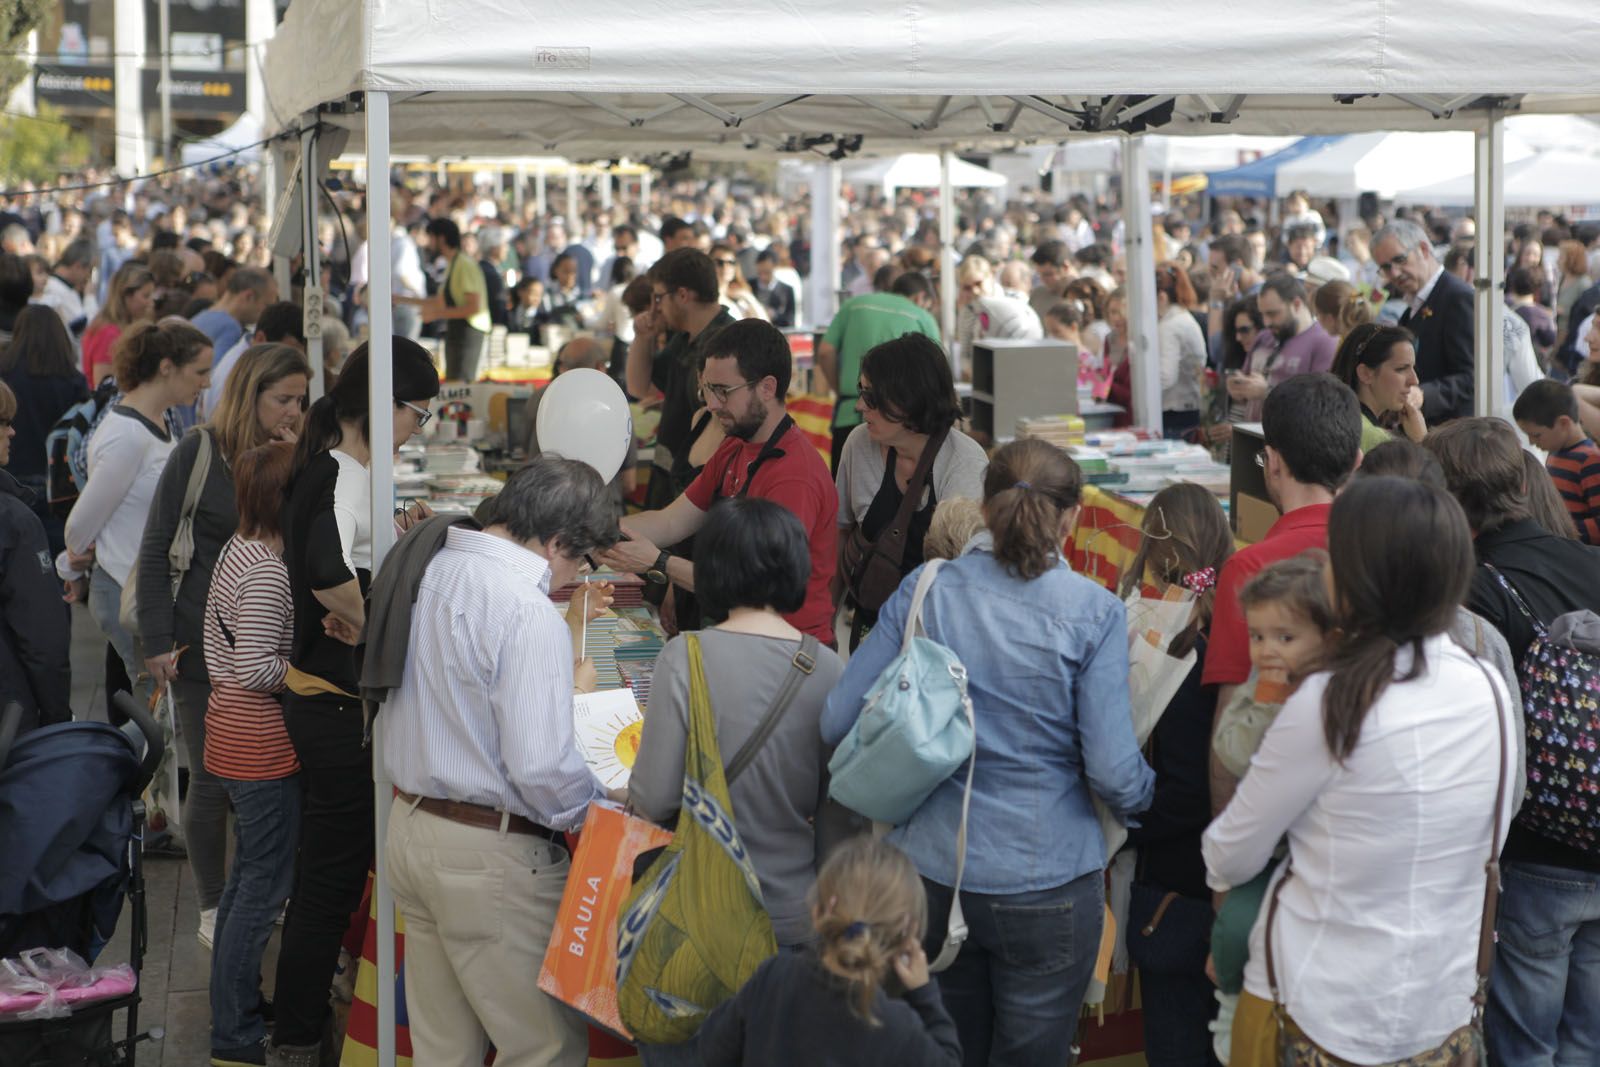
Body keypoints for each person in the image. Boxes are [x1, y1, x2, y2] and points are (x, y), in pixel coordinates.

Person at [822, 438, 1155, 1067]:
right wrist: (1148, 800)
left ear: (982, 504)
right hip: (1049, 878)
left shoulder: (929, 587)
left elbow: (839, 716)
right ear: (1071, 518)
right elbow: (1113, 769)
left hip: (930, 873)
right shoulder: (1095, 613)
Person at [1204, 475, 1515, 1066]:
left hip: (1318, 1008)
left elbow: (1230, 854)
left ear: (1353, 577)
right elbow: (1491, 839)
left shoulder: (1326, 699)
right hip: (1441, 1012)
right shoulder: (1489, 686)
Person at [380, 455, 622, 1067]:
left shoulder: (431, 565)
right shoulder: (525, 608)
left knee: (443, 1049)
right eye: (580, 559)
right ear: (559, 541)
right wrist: (596, 808)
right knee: (544, 1047)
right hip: (489, 853)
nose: (574, 575)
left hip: (412, 826)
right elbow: (540, 768)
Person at [268, 340, 440, 1067]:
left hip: (338, 700)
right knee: (329, 880)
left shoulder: (348, 467)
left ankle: (304, 1021)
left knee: (329, 876)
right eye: (418, 413)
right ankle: (299, 1036)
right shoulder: (335, 470)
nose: (419, 427)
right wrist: (375, 629)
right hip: (336, 706)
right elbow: (323, 568)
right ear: (383, 403)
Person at [629, 498, 848, 1029]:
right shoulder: (827, 668)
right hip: (793, 914)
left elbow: (653, 798)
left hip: (695, 914)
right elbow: (838, 816)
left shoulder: (686, 656)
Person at [1423, 417, 1600, 1066]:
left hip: (1534, 846)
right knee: (1587, 1039)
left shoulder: (1473, 589)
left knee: (1523, 1041)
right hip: (1599, 833)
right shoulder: (1592, 559)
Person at [138, 343, 310, 950]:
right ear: (252, 393)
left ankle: (255, 895)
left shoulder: (294, 455)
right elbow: (156, 543)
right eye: (282, 398)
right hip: (199, 644)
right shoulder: (200, 450)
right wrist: (157, 640)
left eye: (300, 398)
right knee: (211, 778)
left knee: (265, 778)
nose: (294, 408)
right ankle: (215, 906)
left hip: (271, 641)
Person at [600, 319, 839, 646]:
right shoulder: (736, 444)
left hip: (788, 653)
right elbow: (670, 520)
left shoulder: (795, 475)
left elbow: (754, 588)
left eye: (723, 391)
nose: (711, 404)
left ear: (767, 388)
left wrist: (660, 562)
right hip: (745, 638)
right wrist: (590, 535)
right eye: (707, 390)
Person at [1114, 482, 1234, 1067]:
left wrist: (1120, 824)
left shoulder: (1173, 648)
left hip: (1176, 888)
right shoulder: (1234, 637)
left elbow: (1184, 789)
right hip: (1227, 880)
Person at [1203, 374, 1362, 811]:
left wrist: (1223, 865)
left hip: (1280, 815)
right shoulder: (1377, 552)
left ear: (1271, 461)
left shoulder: (1250, 568)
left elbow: (1231, 730)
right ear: (1358, 461)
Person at [202, 441, 301, 1067]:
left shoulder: (241, 548)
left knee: (245, 883)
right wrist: (308, 672)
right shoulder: (267, 567)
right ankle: (235, 1034)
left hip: (231, 733)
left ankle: (234, 1003)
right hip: (258, 739)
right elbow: (255, 665)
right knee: (263, 889)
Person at [696, 835, 962, 1067]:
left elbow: (711, 1051)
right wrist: (924, 994)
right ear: (906, 932)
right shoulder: (896, 1026)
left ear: (820, 910)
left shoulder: (775, 976)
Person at [60, 321, 213, 702]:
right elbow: (79, 526)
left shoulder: (155, 422)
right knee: (156, 708)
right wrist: (76, 558)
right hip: (127, 589)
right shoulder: (127, 435)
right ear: (166, 367)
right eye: (200, 372)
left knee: (159, 706)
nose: (207, 383)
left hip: (138, 585)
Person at [835, 334, 986, 648]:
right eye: (861, 391)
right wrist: (823, 624)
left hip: (937, 641)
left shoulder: (964, 463)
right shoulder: (858, 445)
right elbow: (839, 535)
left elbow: (966, 575)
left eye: (872, 396)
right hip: (871, 628)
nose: (860, 405)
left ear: (909, 399)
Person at [625, 248, 736, 507]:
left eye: (659, 297)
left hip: (699, 490)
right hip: (673, 478)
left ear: (683, 295)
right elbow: (639, 387)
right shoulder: (684, 338)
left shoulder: (726, 342)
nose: (655, 308)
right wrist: (643, 338)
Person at [0, 378, 71, 732]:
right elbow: (42, 637)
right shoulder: (14, 522)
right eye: (4, 422)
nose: (12, 432)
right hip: (10, 720)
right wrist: (58, 718)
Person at [817, 270, 940, 472]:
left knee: (845, 495)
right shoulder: (922, 317)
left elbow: (825, 352)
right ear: (920, 297)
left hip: (848, 414)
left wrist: (841, 390)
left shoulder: (853, 305)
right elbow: (936, 377)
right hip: (904, 428)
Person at [0, 305, 88, 554]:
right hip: (59, 483)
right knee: (55, 562)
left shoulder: (5, 374)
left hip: (12, 475)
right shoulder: (72, 380)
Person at [1372, 218, 1475, 421]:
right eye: (1385, 267)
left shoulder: (1456, 297)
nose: (1394, 273)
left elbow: (1472, 377)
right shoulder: (1414, 305)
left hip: (1452, 434)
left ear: (1424, 249)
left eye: (1400, 260)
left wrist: (1423, 395)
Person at [1225, 274, 1337, 421]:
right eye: (1263, 314)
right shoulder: (1264, 337)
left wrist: (1268, 392)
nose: (1266, 322)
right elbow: (1245, 383)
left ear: (1296, 304)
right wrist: (1238, 385)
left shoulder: (1324, 342)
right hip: (1251, 434)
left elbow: (1321, 404)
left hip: (1291, 438)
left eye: (1272, 314)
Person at [1514, 378, 1600, 544]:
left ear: (1563, 423)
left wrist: (1560, 529)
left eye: (1536, 435)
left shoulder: (1590, 461)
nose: (1532, 442)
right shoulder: (1554, 454)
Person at [1329, 322, 1427, 452]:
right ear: (1365, 374)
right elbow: (1428, 472)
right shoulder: (1376, 440)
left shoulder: (1333, 417)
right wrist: (1422, 441)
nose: (1414, 380)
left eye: (1412, 368)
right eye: (1401, 369)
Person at [204, 301, 308, 417]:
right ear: (260, 338)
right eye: (283, 400)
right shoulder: (236, 372)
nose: (295, 413)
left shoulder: (247, 362)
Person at [417, 218, 490, 382]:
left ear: (441, 239)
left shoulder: (464, 264)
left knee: (462, 387)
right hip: (458, 331)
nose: (428, 243)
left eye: (431, 237)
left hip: (469, 332)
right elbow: (440, 301)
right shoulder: (454, 263)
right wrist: (397, 299)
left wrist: (436, 314)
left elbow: (473, 307)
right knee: (454, 384)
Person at [190, 267, 279, 374]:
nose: (266, 312)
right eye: (266, 305)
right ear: (249, 296)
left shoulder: (201, 316)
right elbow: (218, 373)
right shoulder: (230, 327)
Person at [81, 262, 155, 386]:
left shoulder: (121, 327)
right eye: (146, 296)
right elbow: (103, 385)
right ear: (126, 296)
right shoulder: (108, 333)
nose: (151, 302)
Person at [1155, 263, 1206, 438]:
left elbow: (1165, 377)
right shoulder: (1184, 318)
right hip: (1188, 408)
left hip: (1173, 413)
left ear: (1161, 297)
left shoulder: (1169, 327)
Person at [37, 237, 94, 336]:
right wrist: (90, 297)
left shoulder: (58, 285)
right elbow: (86, 330)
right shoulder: (59, 290)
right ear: (78, 266)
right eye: (90, 270)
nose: (88, 276)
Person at [1309, 278, 1371, 344]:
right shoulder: (1358, 341)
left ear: (1329, 318)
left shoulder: (1349, 347)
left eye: (1317, 314)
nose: (1317, 320)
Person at [753, 249, 796, 327]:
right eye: (760, 272)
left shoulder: (787, 290)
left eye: (767, 272)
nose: (763, 276)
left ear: (775, 267)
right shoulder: (749, 286)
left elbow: (791, 320)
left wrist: (775, 315)